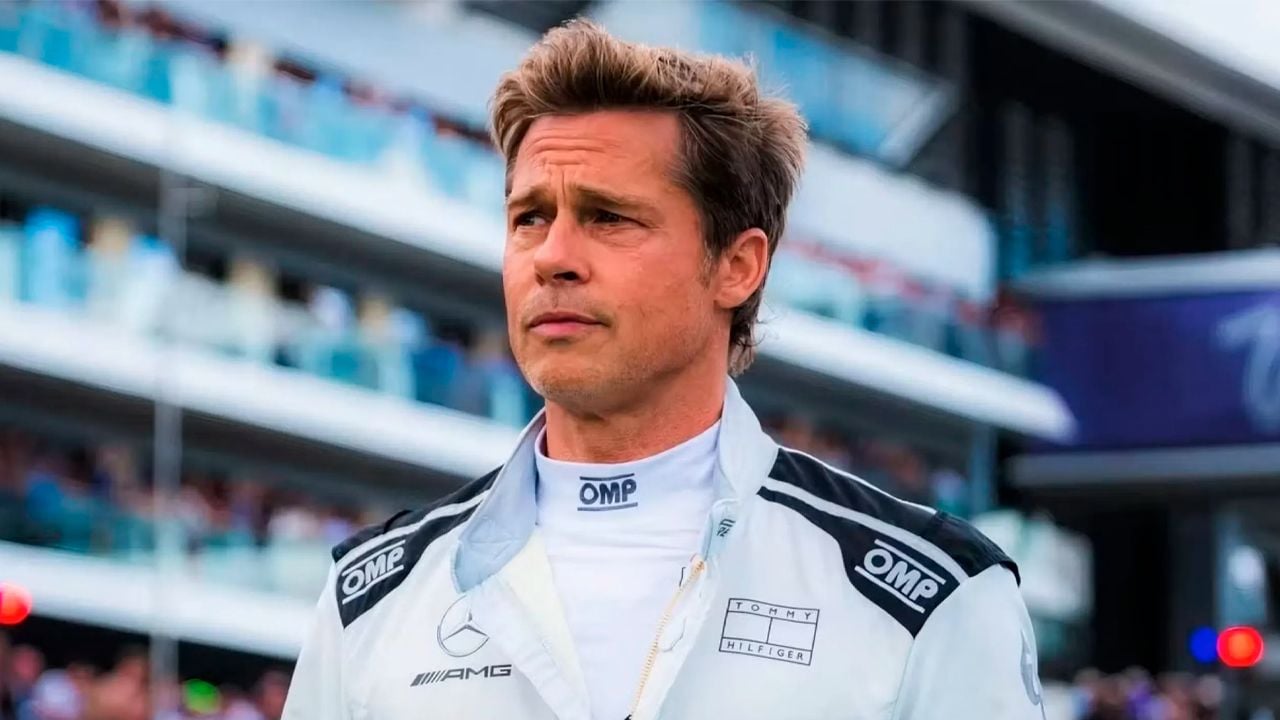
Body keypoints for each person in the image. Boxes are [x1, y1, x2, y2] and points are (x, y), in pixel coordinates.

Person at [283, 19, 1042, 720]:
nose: (553, 257)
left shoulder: (931, 600)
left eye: (609, 217)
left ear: (737, 267)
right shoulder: (370, 600)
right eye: (529, 218)